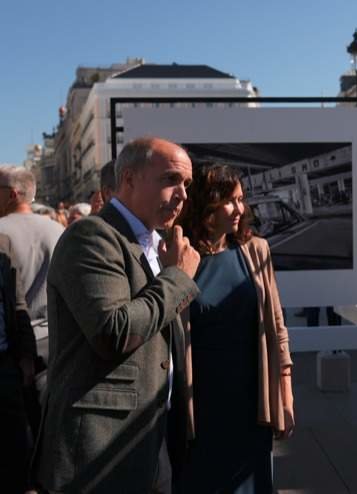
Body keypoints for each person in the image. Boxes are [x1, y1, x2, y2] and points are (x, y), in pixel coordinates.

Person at [34, 137, 201, 493]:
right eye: (171, 179)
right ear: (128, 179)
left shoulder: (156, 243)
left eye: (186, 184)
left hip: (149, 436)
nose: (183, 194)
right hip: (98, 449)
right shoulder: (93, 235)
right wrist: (177, 278)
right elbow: (114, 332)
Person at [176, 163, 294, 493]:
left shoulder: (256, 250)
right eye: (230, 200)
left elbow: (277, 324)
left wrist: (286, 393)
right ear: (205, 202)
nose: (240, 209)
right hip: (201, 402)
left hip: (251, 396)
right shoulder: (179, 256)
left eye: (241, 199)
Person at [0, 166, 64, 434]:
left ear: (13, 194)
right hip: (57, 342)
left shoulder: (2, 231)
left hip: (15, 350)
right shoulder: (59, 230)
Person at [0, 233, 37, 494]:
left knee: (15, 454)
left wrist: (26, 356)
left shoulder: (3, 243)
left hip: (5, 365)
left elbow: (18, 303)